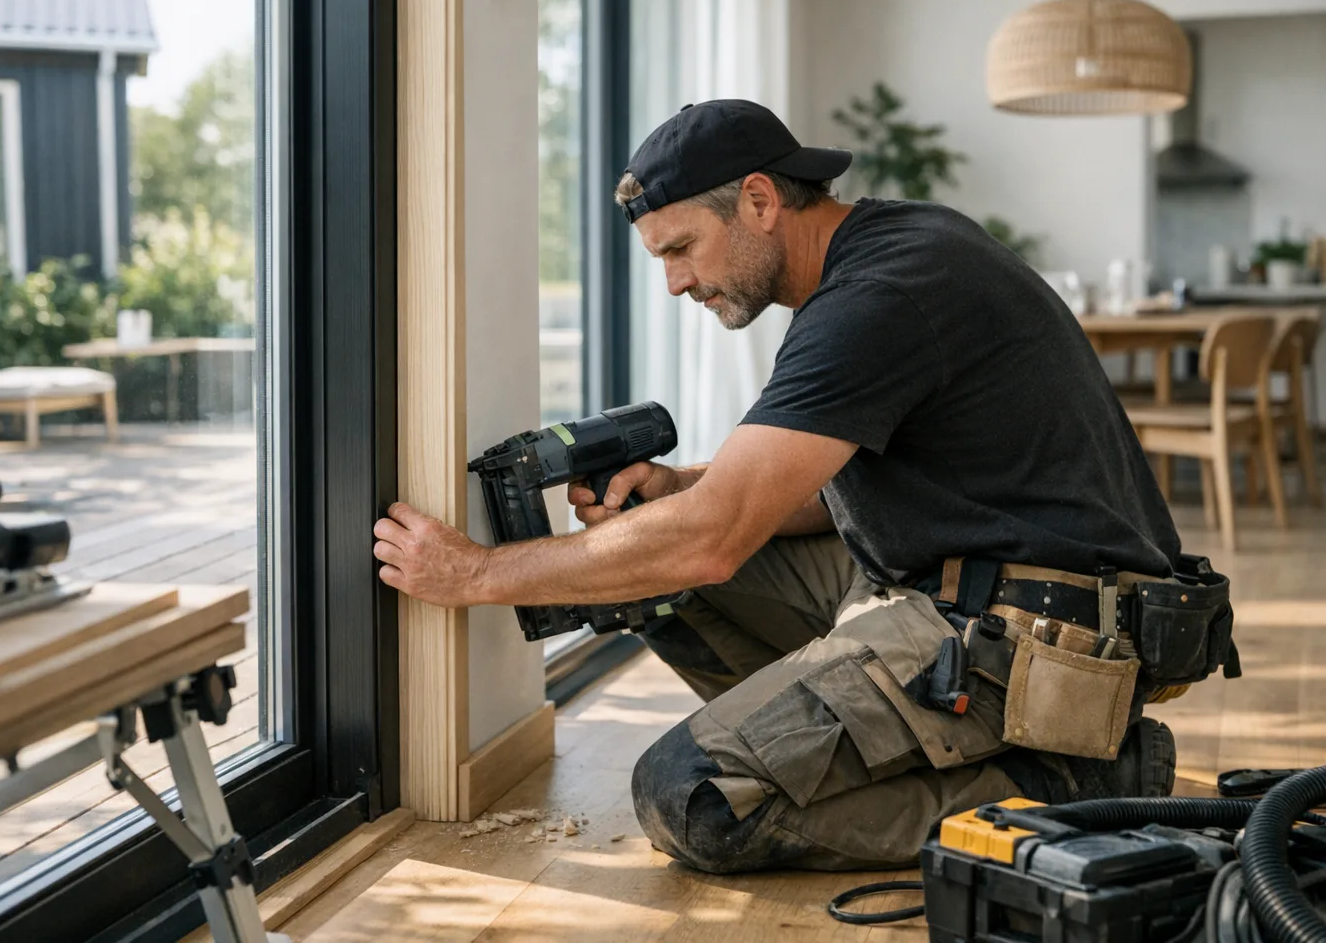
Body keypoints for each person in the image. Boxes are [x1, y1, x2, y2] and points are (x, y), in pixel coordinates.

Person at [372, 98, 1197, 874]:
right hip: (959, 591)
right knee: (658, 582)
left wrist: (474, 574)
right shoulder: (885, 256)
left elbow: (710, 539)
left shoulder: (881, 295)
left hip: (1032, 635)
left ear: (760, 201)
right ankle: (843, 747)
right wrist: (679, 486)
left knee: (690, 798)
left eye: (680, 248)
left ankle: (1077, 785)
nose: (675, 283)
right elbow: (809, 493)